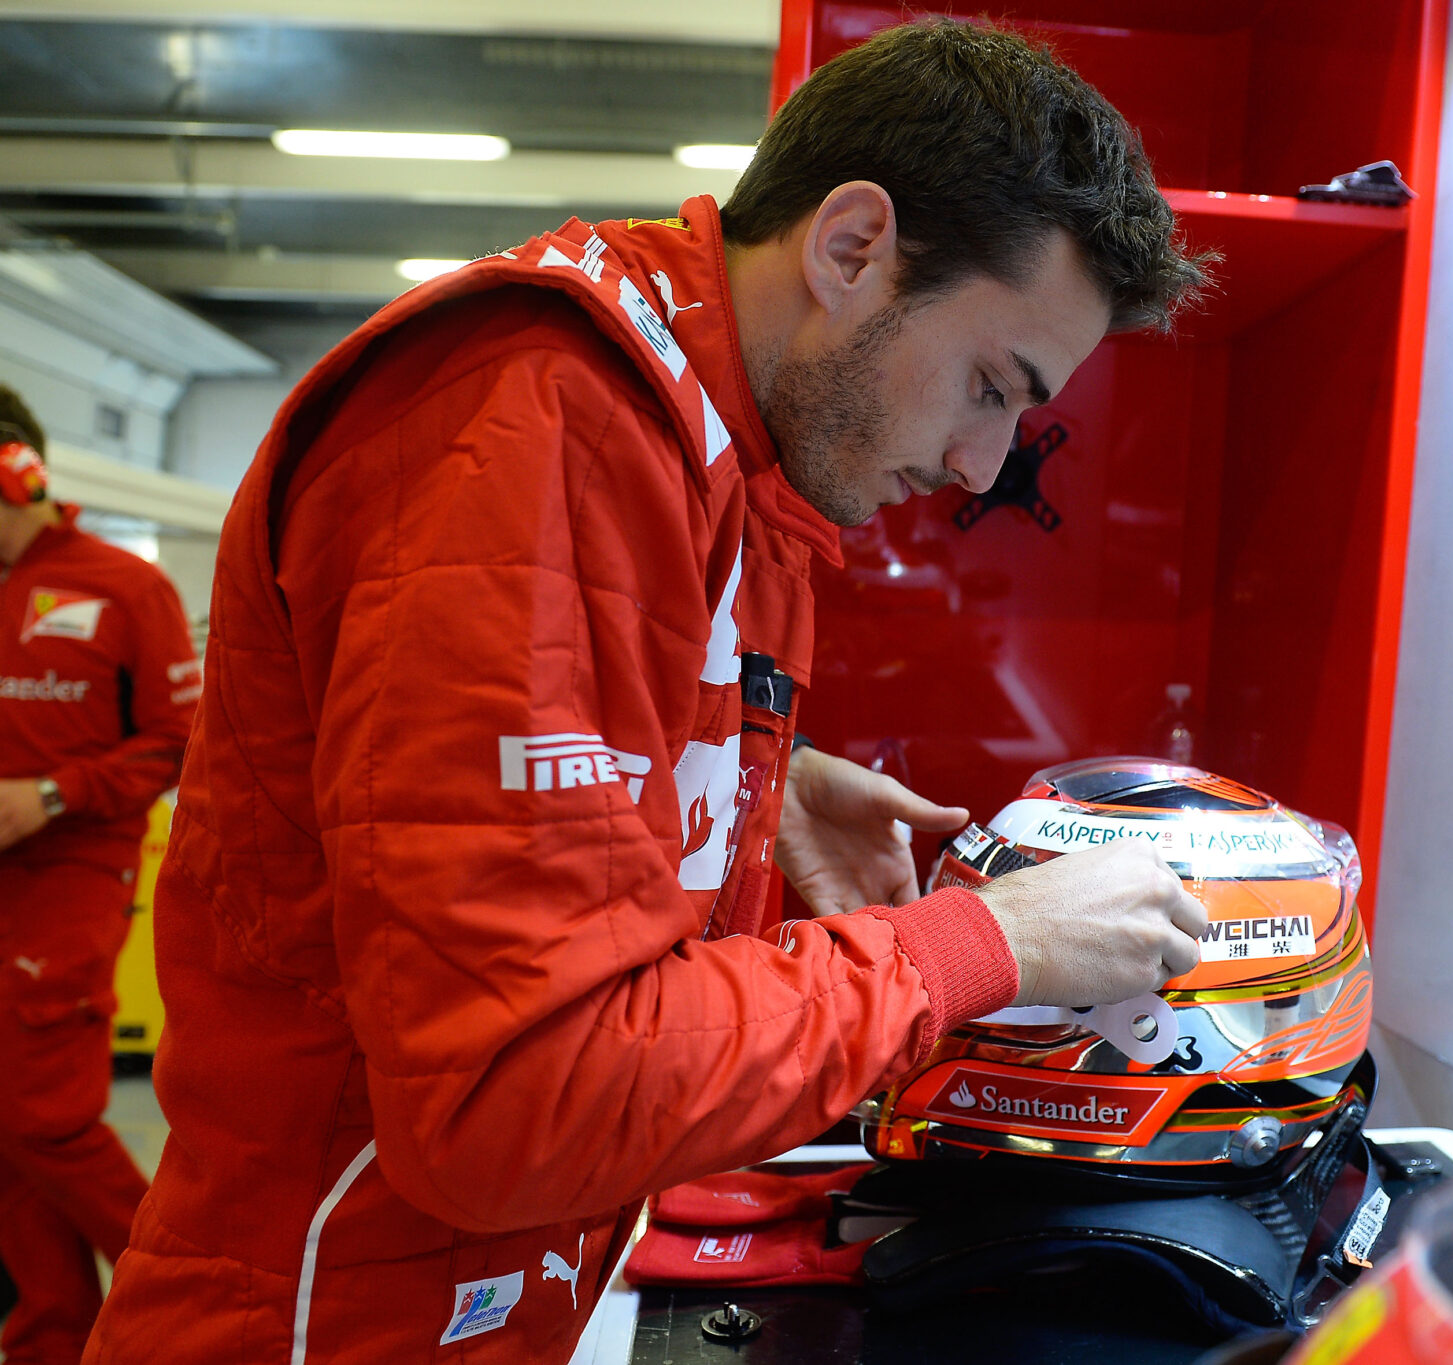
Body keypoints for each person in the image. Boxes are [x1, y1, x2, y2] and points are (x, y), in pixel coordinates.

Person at [87, 17, 1213, 1365]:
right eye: (989, 385)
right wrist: (981, 946)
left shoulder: (728, 459)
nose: (983, 466)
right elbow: (516, 1103)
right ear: (852, 248)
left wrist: (740, 778)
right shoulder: (535, 417)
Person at [0, 383, 199, 1365]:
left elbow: (175, 743)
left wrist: (50, 794)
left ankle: (188, 1292)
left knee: (41, 1117)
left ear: (19, 473)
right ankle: (51, 1340)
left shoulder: (123, 587)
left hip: (73, 876)